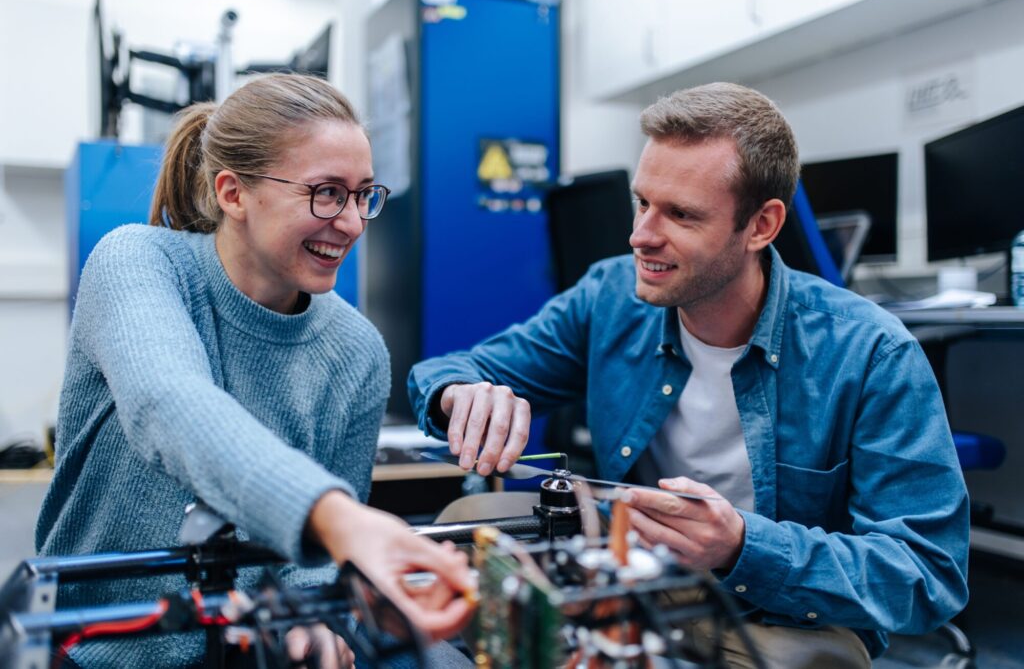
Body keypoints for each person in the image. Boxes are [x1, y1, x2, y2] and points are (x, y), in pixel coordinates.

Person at [409, 82, 969, 667]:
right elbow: (450, 369)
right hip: (628, 571)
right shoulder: (609, 295)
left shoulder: (872, 352)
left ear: (761, 225)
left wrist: (742, 547)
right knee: (464, 530)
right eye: (642, 202)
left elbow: (928, 574)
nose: (641, 235)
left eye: (680, 214)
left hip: (768, 610)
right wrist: (461, 394)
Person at [36, 73, 473, 668]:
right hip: (97, 650)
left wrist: (315, 625)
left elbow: (310, 566)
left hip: (250, 651)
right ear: (232, 193)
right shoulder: (136, 263)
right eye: (325, 193)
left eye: (363, 194)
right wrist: (338, 518)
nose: (349, 222)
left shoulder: (357, 351)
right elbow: (169, 403)